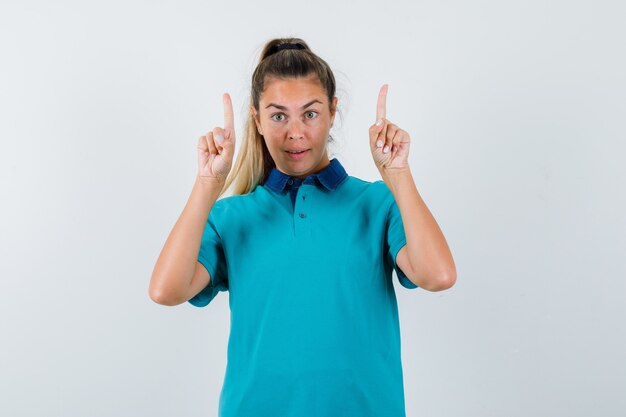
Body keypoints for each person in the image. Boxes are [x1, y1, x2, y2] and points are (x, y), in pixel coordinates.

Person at [149, 37, 456, 417]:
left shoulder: (376, 204)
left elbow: (439, 275)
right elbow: (166, 290)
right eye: (278, 116)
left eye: (309, 114)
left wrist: (398, 174)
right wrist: (207, 185)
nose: (295, 132)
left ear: (332, 112)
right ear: (257, 120)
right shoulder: (231, 217)